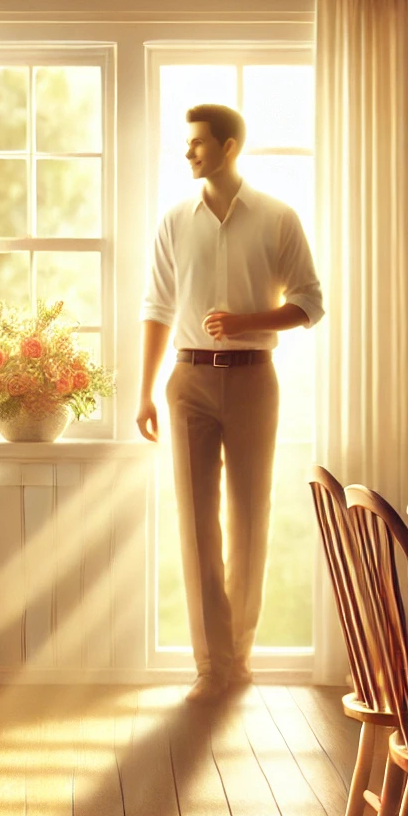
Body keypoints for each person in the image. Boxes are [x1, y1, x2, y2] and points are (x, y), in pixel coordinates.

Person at [136, 104, 325, 701]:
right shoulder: (174, 221)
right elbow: (157, 308)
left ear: (229, 146)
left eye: (197, 142)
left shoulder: (277, 218)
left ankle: (238, 657)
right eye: (187, 143)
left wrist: (246, 321)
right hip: (187, 380)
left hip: (253, 380)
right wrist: (144, 392)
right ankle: (210, 666)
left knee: (249, 518)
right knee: (196, 525)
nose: (188, 152)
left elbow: (310, 303)